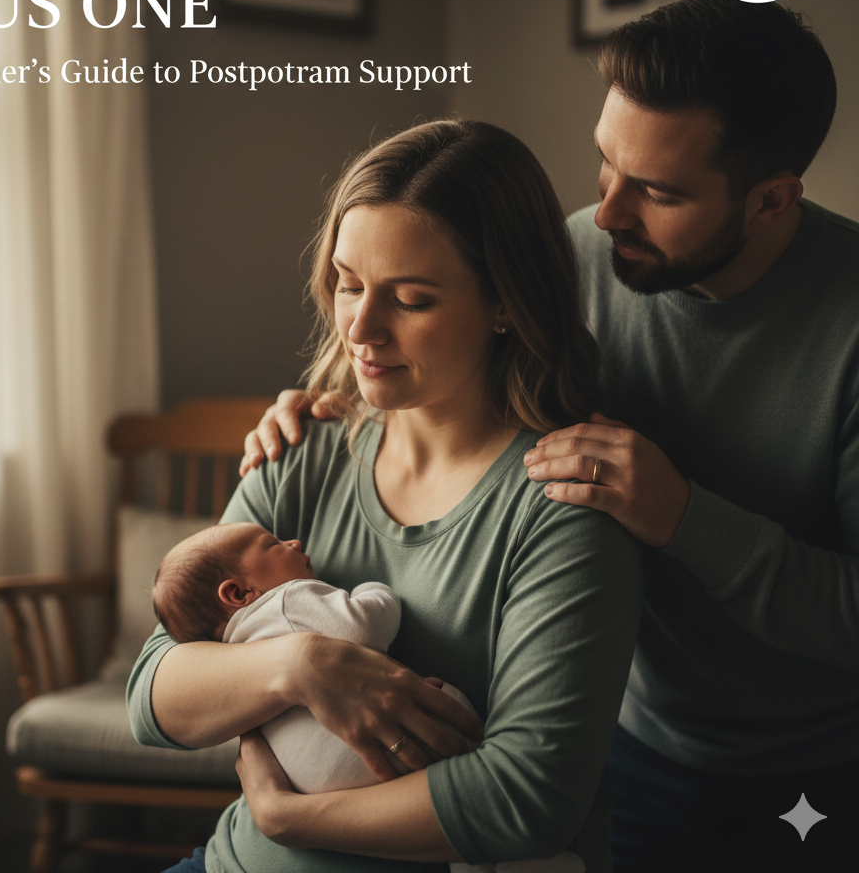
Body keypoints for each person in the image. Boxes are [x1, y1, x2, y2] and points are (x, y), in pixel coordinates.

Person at [248, 0, 858, 873]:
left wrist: (685, 516)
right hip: (621, 745)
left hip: (818, 777)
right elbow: (438, 367)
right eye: (606, 165)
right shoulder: (574, 261)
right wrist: (328, 405)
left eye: (657, 192)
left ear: (771, 199)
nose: (607, 215)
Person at [128, 119, 643, 873]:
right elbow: (154, 696)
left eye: (410, 298)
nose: (361, 328)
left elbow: (527, 799)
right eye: (347, 283)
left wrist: (290, 816)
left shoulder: (564, 507)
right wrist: (303, 664)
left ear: (506, 304)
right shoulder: (298, 450)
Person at [152, 521, 585, 873]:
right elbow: (359, 627)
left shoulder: (227, 650)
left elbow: (525, 792)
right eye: (272, 543)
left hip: (301, 786)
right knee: (448, 719)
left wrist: (284, 818)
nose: (294, 540)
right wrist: (376, 594)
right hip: (345, 768)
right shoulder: (285, 602)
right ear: (239, 593)